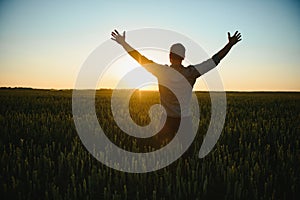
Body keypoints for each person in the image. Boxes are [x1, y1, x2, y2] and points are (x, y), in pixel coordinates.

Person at [111, 29, 241, 152]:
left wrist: (123, 43)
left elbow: (139, 57)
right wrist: (229, 45)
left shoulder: (161, 71)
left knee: (161, 154)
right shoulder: (191, 73)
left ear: (169, 56)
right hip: (185, 121)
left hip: (165, 121)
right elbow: (214, 61)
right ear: (183, 57)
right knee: (187, 157)